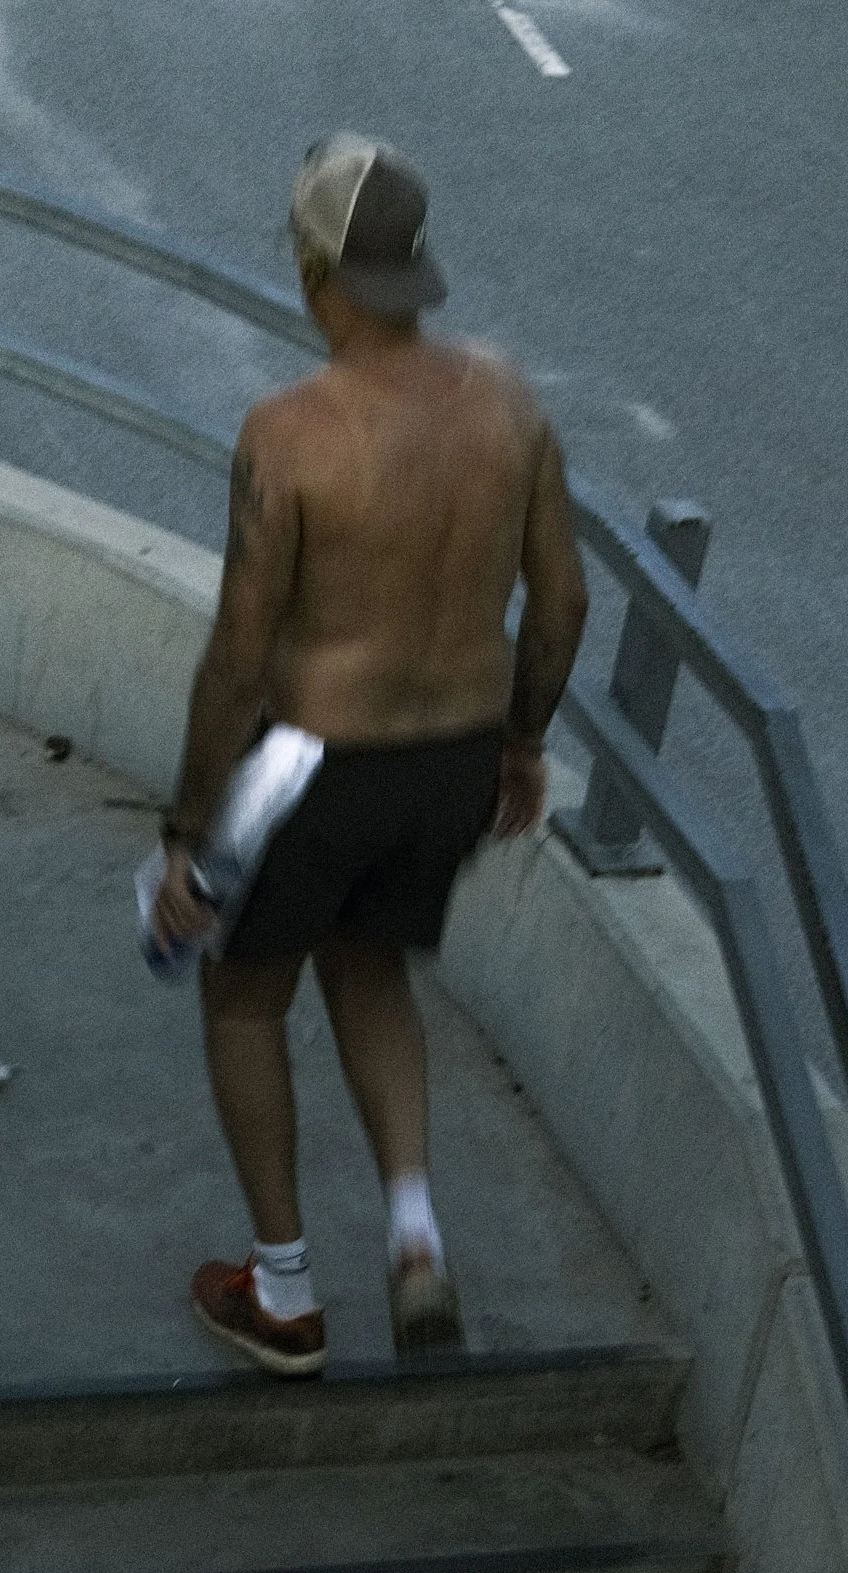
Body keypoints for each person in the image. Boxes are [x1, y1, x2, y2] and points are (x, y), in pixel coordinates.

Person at [152, 133, 589, 1376]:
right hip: (450, 761)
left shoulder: (289, 433)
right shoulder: (506, 398)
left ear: (312, 274)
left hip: (314, 765)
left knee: (243, 997)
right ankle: (413, 1239)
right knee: (373, 966)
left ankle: (282, 1292)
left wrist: (188, 832)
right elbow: (560, 606)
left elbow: (239, 657)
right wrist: (521, 745)